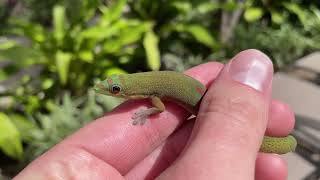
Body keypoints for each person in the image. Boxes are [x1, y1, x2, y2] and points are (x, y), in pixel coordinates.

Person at [14, 49, 295, 180]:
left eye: (113, 89)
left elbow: (160, 108)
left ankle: (288, 142)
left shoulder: (152, 95)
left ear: (126, 91)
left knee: (263, 139)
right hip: (197, 93)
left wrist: (146, 112)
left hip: (201, 105)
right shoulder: (143, 81)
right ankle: (290, 142)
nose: (108, 91)